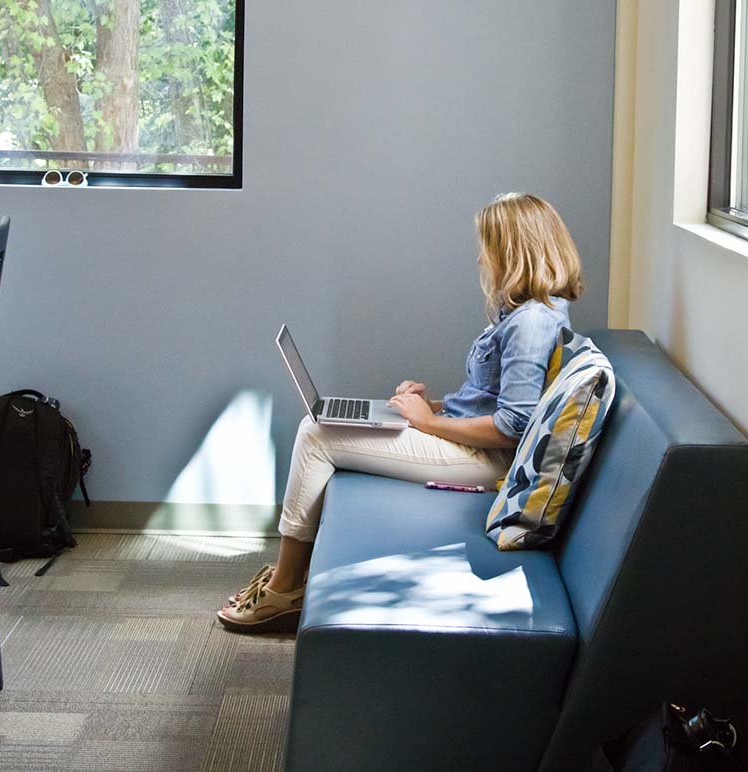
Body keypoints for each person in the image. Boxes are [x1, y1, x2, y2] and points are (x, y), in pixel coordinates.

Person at [217, 193, 584, 633]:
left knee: (316, 436)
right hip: (465, 444)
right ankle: (291, 577)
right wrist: (431, 405)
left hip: (485, 463)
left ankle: (285, 586)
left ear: (513, 250)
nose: (482, 256)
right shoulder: (525, 312)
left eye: (488, 245)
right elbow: (495, 398)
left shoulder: (531, 323)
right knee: (326, 425)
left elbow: (513, 426)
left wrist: (426, 422)